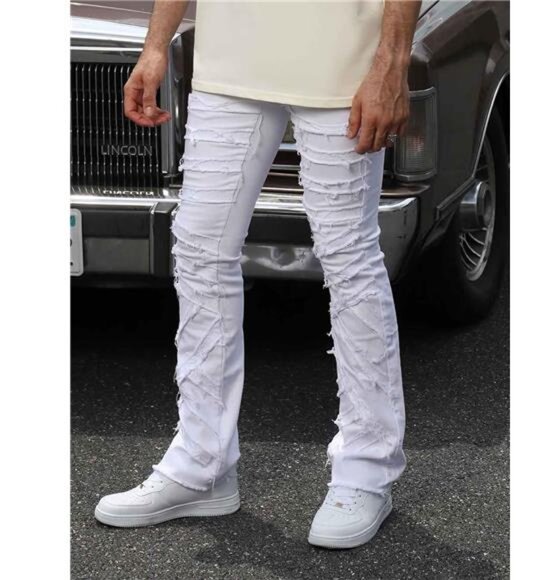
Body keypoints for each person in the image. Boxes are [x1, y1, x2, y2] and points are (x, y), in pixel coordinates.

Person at [94, 0, 420, 549]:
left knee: (348, 257)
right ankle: (202, 464)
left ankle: (367, 470)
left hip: (345, 58)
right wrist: (155, 46)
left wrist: (392, 62)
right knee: (199, 252)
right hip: (229, 58)